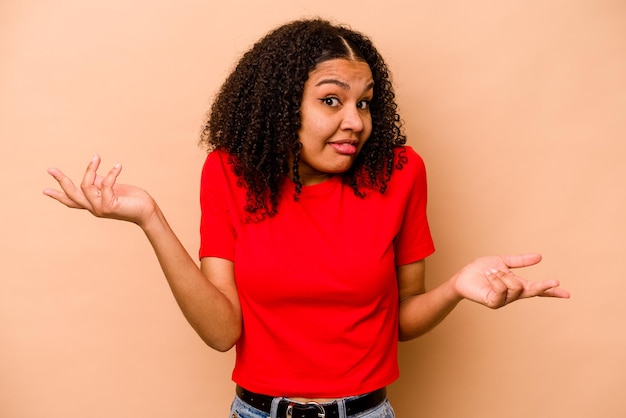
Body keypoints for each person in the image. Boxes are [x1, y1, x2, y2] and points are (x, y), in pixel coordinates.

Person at [43, 18, 570, 418]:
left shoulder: (399, 173)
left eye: (364, 104)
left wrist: (455, 288)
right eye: (331, 100)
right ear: (279, 105)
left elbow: (401, 320)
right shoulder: (229, 172)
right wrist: (150, 218)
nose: (354, 122)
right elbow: (223, 331)